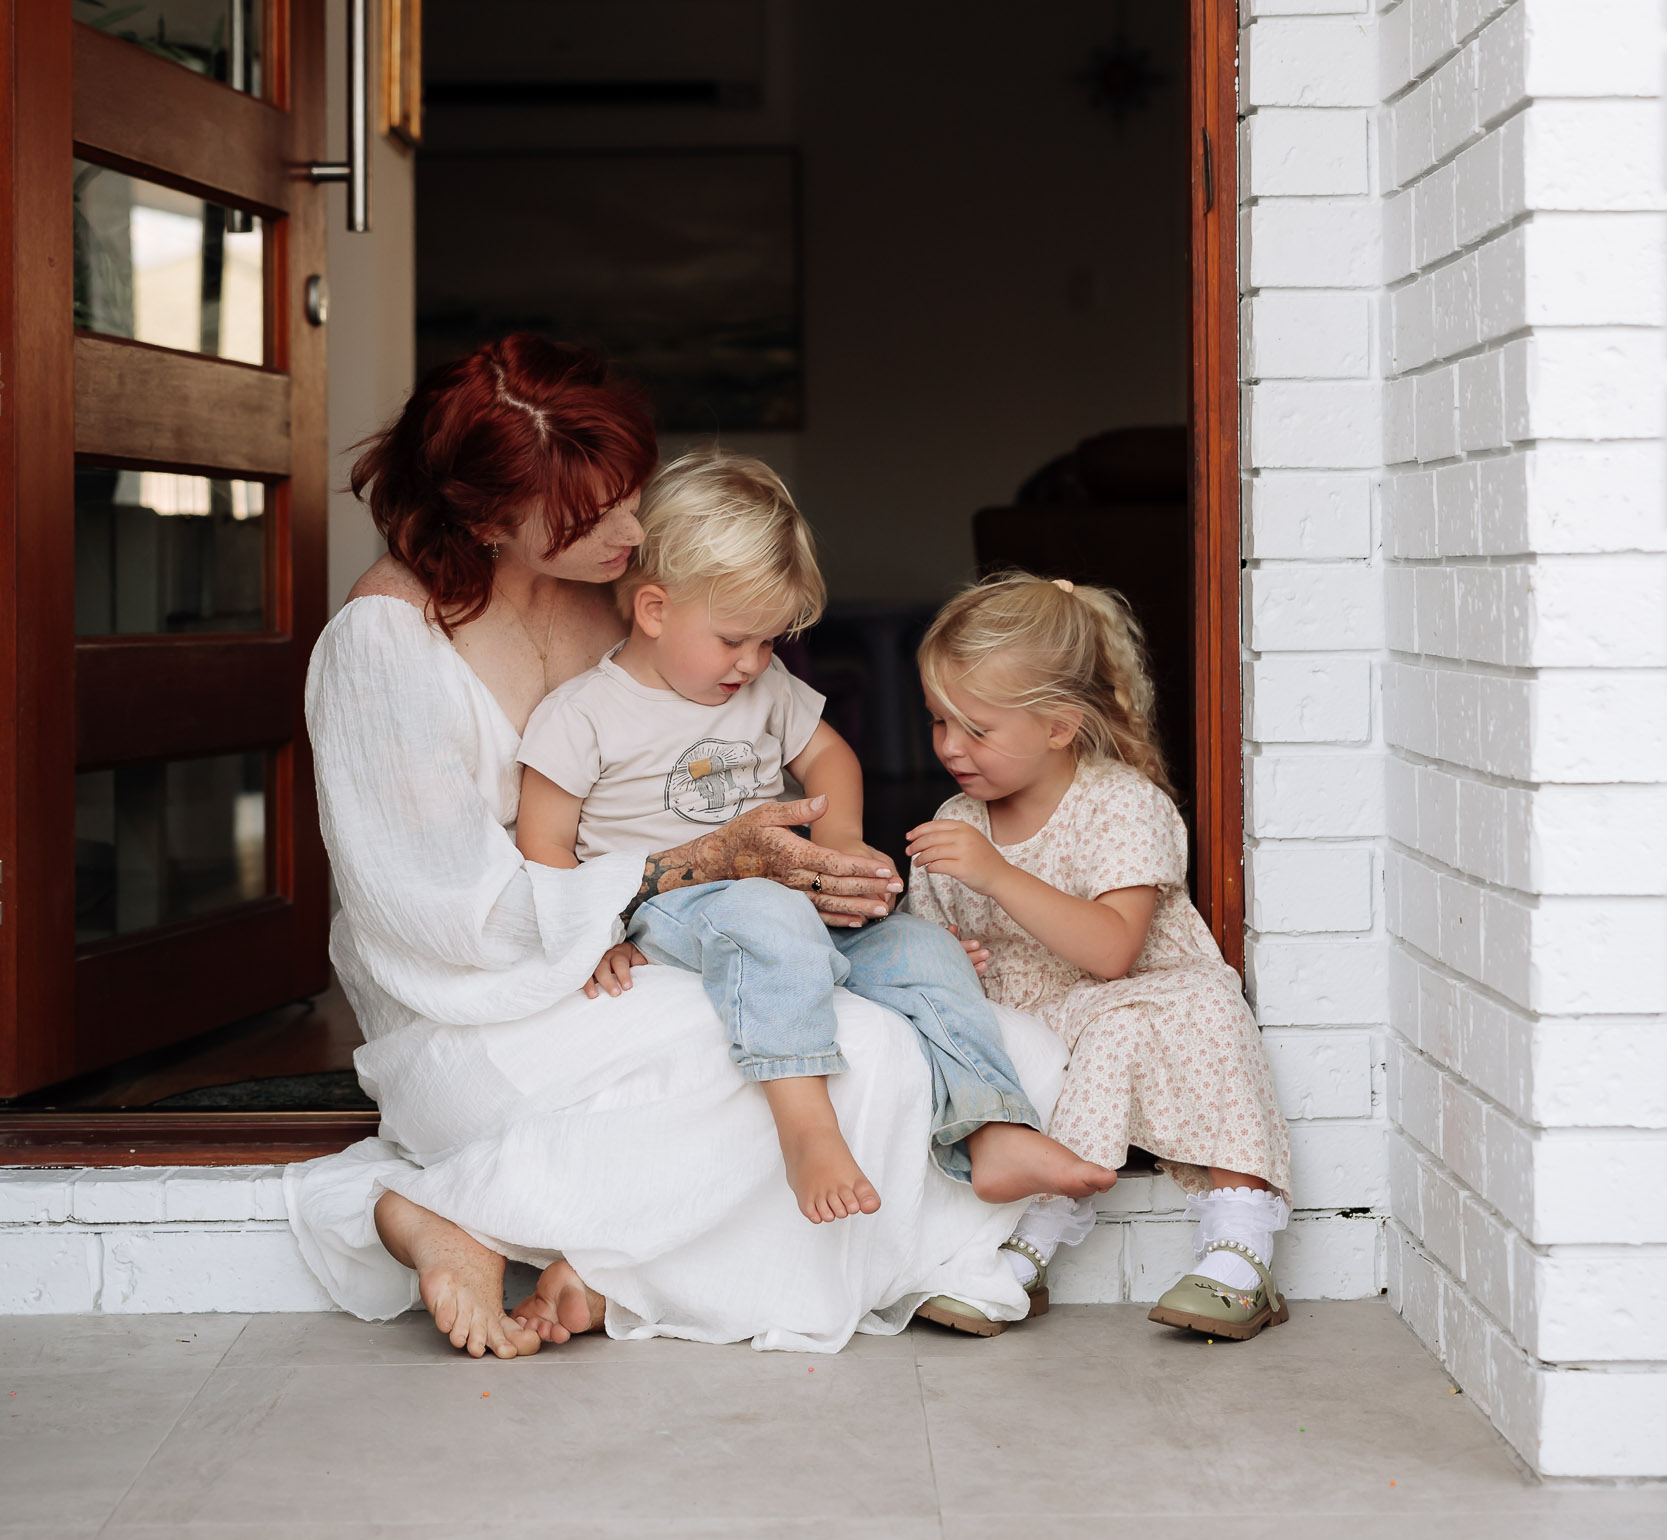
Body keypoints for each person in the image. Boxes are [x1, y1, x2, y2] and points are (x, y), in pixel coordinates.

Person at [284, 337, 1065, 1358]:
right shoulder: (383, 650)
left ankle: (593, 1261)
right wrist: (695, 869)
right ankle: (438, 1207)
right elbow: (441, 916)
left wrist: (832, 895)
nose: (629, 526)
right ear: (484, 519)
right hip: (477, 1011)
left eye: (627, 490)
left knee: (983, 1042)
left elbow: (756, 740)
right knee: (851, 1054)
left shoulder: (623, 588)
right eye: (586, 516)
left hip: (649, 954)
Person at [515, 449, 1114, 1226]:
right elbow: (542, 846)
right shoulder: (584, 714)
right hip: (674, 908)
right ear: (654, 610)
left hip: (783, 892)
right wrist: (588, 936)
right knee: (765, 919)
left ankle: (992, 1124)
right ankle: (807, 1129)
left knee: (920, 947)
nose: (753, 661)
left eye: (769, 642)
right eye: (735, 639)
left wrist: (842, 845)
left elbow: (828, 753)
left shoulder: (762, 686)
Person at [903, 571, 1293, 1340]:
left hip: (1140, 1000)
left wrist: (996, 874)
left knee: (1205, 1009)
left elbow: (1114, 952)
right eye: (937, 722)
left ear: (1058, 726)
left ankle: (1238, 1252)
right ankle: (1019, 1252)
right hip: (1037, 1020)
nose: (950, 747)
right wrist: (950, 954)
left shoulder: (1121, 803)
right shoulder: (955, 819)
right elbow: (929, 948)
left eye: (975, 729)